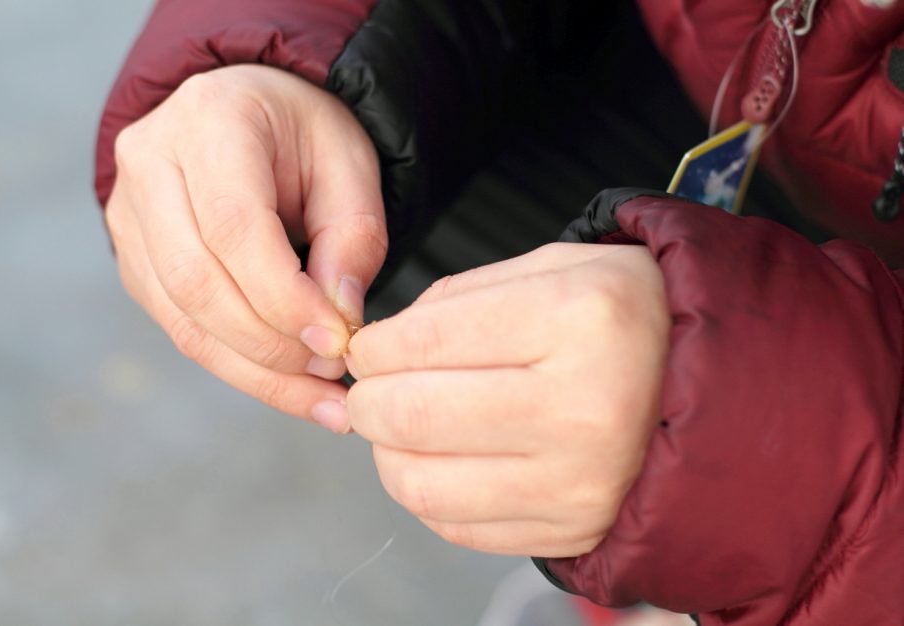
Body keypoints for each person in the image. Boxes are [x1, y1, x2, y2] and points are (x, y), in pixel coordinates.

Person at [94, 1, 904, 624]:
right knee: (361, 201)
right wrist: (277, 59)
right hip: (747, 109)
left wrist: (775, 443)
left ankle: (738, 558)